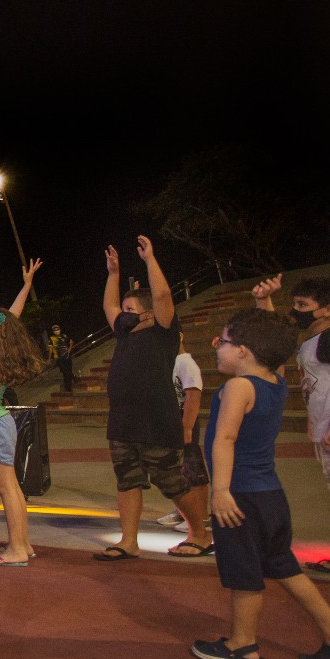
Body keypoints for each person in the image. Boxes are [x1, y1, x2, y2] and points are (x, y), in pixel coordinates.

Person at [192, 308, 330, 659]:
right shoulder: (276, 382)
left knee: (244, 573)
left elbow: (225, 439)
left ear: (243, 350)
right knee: (285, 567)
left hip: (241, 496)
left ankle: (242, 645)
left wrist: (221, 492)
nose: (217, 347)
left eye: (224, 342)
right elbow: (276, 348)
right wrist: (268, 308)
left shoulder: (238, 387)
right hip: (271, 496)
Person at [94, 235, 214, 560]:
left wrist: (150, 260)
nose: (123, 314)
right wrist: (113, 273)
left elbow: (161, 294)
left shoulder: (163, 330)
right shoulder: (124, 333)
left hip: (156, 419)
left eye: (131, 309)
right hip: (122, 421)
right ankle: (128, 541)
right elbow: (108, 305)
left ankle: (200, 533)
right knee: (127, 480)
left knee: (171, 479)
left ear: (148, 313)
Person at [254, 274, 330, 590]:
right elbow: (276, 336)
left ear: (328, 310)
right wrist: (264, 301)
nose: (296, 311)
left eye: (302, 305)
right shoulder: (312, 342)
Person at [0, 259, 47, 566]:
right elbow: (11, 318)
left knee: (6, 488)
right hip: (0, 424)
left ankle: (16, 548)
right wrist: (26, 284)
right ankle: (22, 543)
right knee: (12, 487)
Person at [157, 333, 209, 532]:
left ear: (178, 336)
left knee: (193, 468)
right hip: (173, 422)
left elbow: (193, 393)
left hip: (184, 422)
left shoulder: (185, 362)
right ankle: (184, 511)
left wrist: (187, 426)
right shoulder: (170, 361)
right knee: (179, 469)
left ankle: (202, 517)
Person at [48, 324, 74, 392]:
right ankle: (68, 388)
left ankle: (70, 382)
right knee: (65, 372)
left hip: (66, 356)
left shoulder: (64, 336)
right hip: (58, 358)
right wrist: (49, 358)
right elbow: (50, 349)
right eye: (55, 330)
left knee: (69, 371)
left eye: (57, 330)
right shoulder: (51, 338)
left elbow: (71, 342)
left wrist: (69, 350)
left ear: (60, 330)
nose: (56, 331)